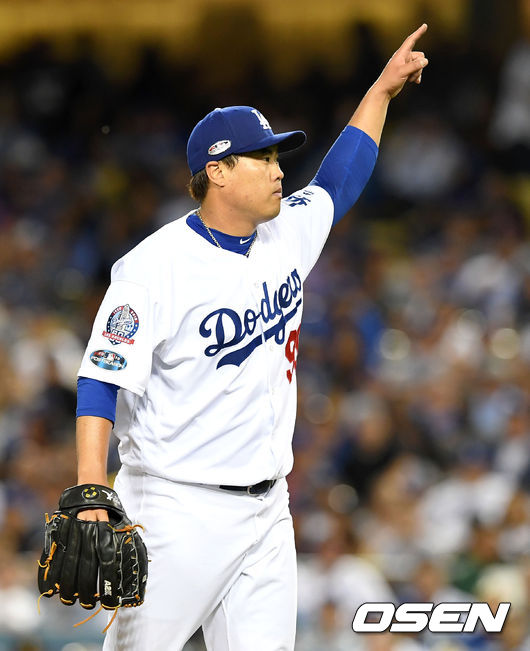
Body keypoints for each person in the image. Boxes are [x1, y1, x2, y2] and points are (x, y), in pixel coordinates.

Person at [74, 24, 429, 651]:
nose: (277, 170)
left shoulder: (284, 233)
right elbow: (100, 378)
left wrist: (379, 92)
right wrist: (91, 488)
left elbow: (338, 181)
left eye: (276, 157)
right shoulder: (153, 269)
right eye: (261, 158)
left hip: (268, 511)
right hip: (173, 510)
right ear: (217, 171)